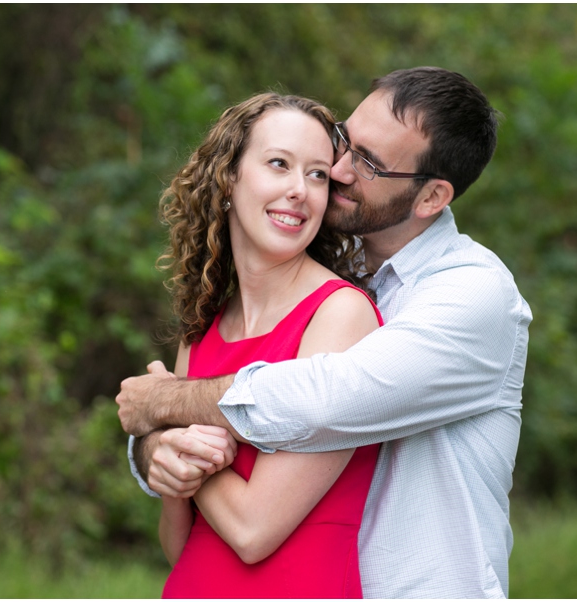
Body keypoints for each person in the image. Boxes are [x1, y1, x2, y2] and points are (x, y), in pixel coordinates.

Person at [118, 67, 533, 599]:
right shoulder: (331, 268)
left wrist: (164, 404)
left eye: (367, 162)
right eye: (344, 140)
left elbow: (324, 400)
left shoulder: (473, 297)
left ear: (431, 198)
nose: (336, 170)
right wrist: (153, 444)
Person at [152, 92, 384, 598]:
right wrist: (168, 461)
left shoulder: (341, 315)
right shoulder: (201, 331)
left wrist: (167, 423)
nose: (299, 190)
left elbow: (253, 531)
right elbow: (181, 545)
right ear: (229, 178)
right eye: (279, 164)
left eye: (318, 174)